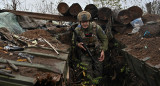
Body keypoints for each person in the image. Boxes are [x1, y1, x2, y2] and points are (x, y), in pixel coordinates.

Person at [72, 11, 108, 85]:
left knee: (98, 72)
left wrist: (103, 51)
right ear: (80, 22)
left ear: (89, 21)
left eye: (86, 22)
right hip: (85, 54)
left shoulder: (96, 28)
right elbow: (73, 41)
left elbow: (104, 39)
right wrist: (77, 44)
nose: (84, 24)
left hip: (97, 53)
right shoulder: (77, 30)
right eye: (82, 22)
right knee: (88, 73)